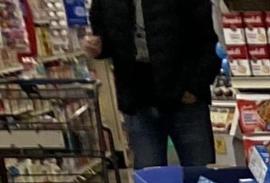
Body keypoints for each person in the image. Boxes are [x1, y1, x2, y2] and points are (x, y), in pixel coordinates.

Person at [83, 0, 218, 171]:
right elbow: (106, 37)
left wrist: (195, 87)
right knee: (150, 179)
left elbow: (207, 41)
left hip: (184, 97)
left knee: (200, 177)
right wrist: (98, 48)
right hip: (138, 99)